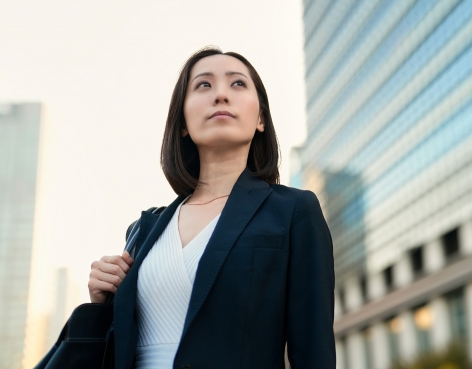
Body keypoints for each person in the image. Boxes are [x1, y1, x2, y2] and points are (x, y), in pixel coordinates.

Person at [88, 46, 336, 369]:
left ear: (260, 118)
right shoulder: (145, 227)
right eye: (204, 85)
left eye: (237, 84)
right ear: (183, 123)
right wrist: (102, 302)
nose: (220, 95)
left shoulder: (293, 212)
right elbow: (116, 349)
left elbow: (313, 353)